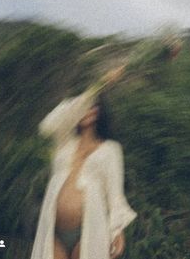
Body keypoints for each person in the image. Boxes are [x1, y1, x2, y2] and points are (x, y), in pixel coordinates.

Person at [30, 66, 137, 259]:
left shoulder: (110, 149)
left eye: (93, 106)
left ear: (99, 112)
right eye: (84, 106)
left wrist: (117, 231)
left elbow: (114, 194)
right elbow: (47, 125)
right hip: (54, 230)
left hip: (90, 228)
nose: (88, 109)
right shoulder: (63, 141)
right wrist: (97, 86)